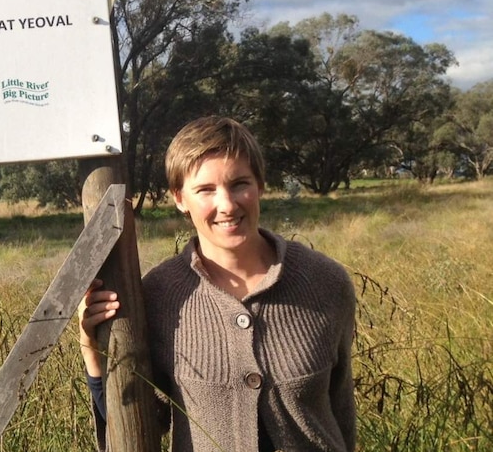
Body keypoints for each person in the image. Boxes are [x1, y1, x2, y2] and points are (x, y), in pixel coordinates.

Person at [79, 116, 356, 451]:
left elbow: (340, 410)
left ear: (260, 185)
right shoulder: (158, 295)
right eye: (206, 190)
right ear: (180, 198)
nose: (227, 205)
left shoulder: (325, 282)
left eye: (240, 183)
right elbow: (144, 422)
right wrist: (94, 354)